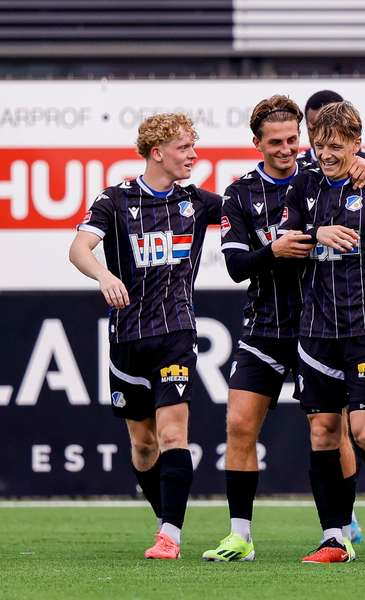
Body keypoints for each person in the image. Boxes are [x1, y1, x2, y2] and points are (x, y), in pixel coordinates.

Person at [68, 113, 221, 559]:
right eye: (184, 147)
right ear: (157, 152)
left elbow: (257, 199)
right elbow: (78, 247)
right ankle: (164, 519)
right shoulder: (115, 200)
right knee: (143, 444)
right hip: (126, 339)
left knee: (174, 433)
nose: (194, 155)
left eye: (194, 146)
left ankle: (170, 535)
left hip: (176, 332)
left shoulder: (198, 203)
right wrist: (103, 275)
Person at [281, 101, 365, 564]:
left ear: (358, 143)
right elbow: (286, 239)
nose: (326, 155)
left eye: (336, 146)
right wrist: (319, 232)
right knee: (323, 432)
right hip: (316, 326)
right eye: (319, 146)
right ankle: (334, 536)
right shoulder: (304, 183)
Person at [201, 95, 316, 562]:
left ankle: (341, 527)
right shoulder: (240, 193)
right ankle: (240, 536)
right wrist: (275, 251)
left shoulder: (322, 181)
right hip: (263, 328)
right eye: (276, 142)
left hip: (319, 328)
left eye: (293, 139)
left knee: (333, 431)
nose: (287, 149)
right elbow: (235, 267)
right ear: (257, 143)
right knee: (239, 425)